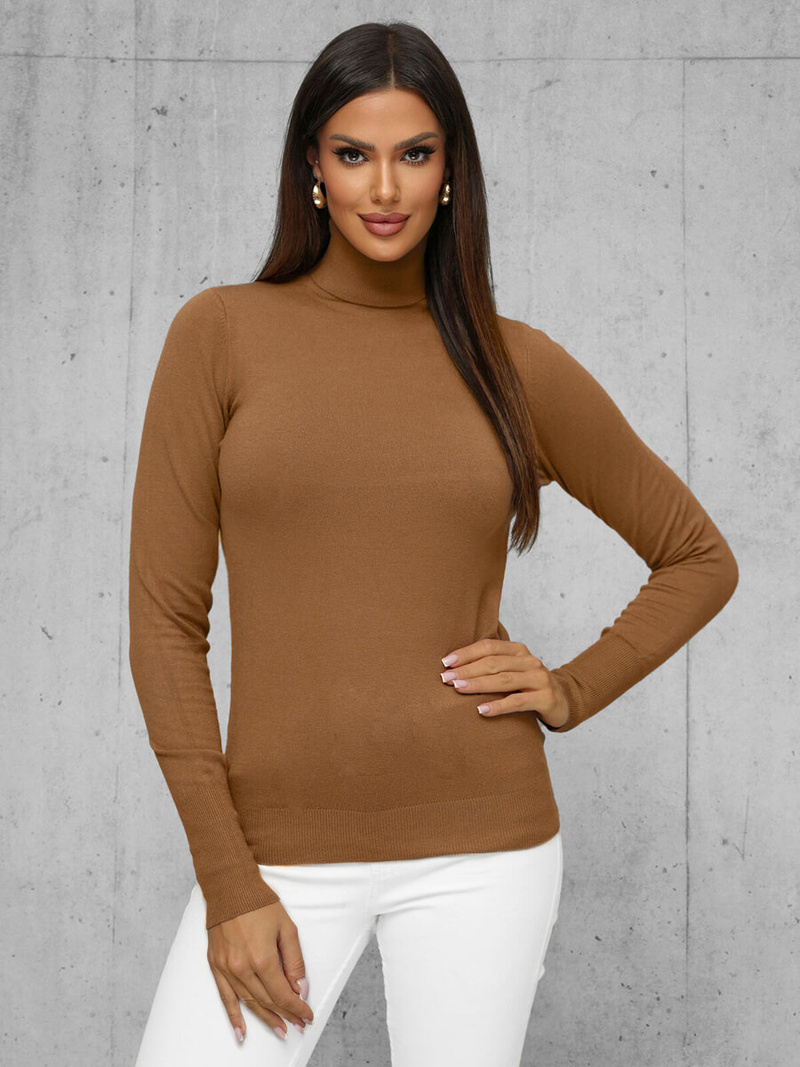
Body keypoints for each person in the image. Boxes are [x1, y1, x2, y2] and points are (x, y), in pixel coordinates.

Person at [127, 20, 738, 1067]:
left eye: (414, 153)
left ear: (451, 171)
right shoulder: (219, 335)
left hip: (483, 849)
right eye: (352, 153)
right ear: (312, 167)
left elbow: (697, 556)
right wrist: (230, 881)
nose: (384, 187)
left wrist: (570, 687)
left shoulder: (513, 362)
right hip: (276, 852)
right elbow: (164, 625)